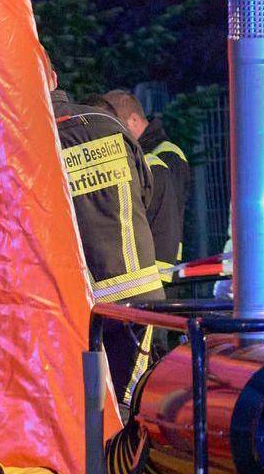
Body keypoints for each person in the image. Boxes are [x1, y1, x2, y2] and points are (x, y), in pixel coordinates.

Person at [53, 83, 160, 400]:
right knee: (132, 396)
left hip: (85, 298)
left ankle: (103, 449)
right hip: (139, 289)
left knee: (91, 401)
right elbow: (145, 191)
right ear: (56, 79)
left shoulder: (35, 135)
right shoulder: (109, 123)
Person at [100, 89, 190, 267]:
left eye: (117, 125)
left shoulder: (167, 155)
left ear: (134, 120)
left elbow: (167, 214)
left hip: (162, 264)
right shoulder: (140, 154)